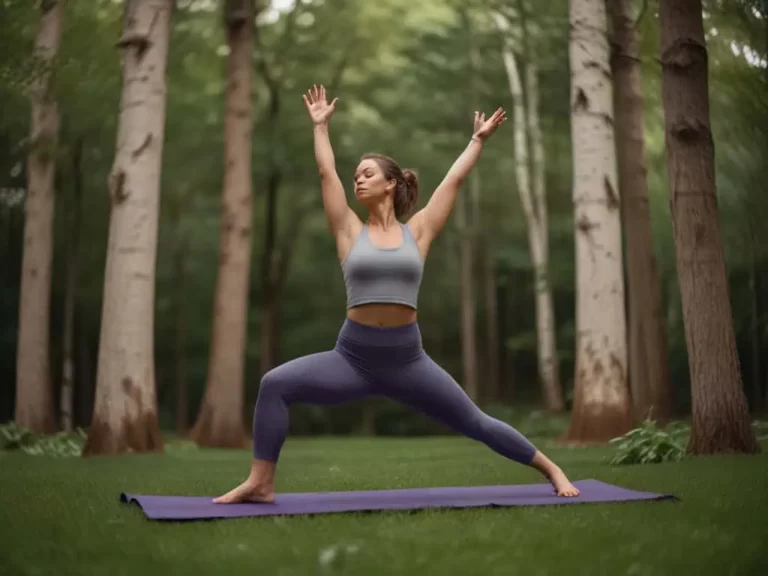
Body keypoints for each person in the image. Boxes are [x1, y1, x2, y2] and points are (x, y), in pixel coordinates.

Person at [213, 84, 579, 504]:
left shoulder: (417, 232)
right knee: (274, 384)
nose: (358, 181)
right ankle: (261, 482)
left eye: (367, 174)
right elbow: (326, 174)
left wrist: (476, 141)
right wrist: (320, 128)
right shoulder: (348, 230)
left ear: (390, 183)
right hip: (352, 357)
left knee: (474, 421)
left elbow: (453, 180)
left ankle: (552, 469)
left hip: (408, 359)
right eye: (356, 177)